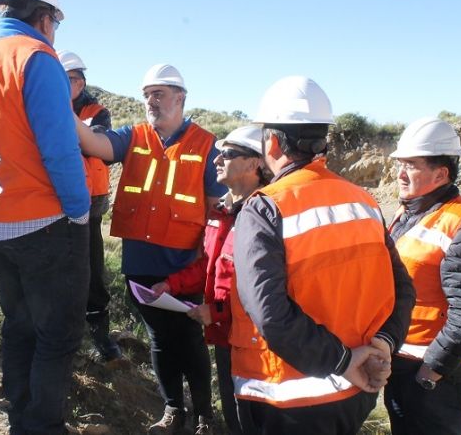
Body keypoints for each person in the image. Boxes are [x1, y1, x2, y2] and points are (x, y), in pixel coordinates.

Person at [230, 76, 416, 435]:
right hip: (355, 392)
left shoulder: (265, 207)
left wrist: (343, 360)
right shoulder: (363, 201)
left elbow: (270, 314)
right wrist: (382, 345)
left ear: (271, 140)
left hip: (284, 398)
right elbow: (403, 289)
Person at [0, 0, 90, 434]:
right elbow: (60, 150)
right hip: (43, 224)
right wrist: (80, 211)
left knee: (20, 323)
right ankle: (41, 426)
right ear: (45, 17)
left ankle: (20, 415)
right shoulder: (36, 58)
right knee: (58, 334)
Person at [76, 64, 225, 435]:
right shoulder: (134, 136)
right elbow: (94, 144)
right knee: (160, 339)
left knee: (190, 340)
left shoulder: (207, 144)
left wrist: (204, 264)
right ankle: (173, 410)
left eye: (158, 94)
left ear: (180, 98)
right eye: (146, 95)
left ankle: (204, 415)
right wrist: (61, 107)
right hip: (141, 264)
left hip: (185, 265)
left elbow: (214, 209)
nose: (150, 101)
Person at [152, 125, 267, 435]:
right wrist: (171, 285)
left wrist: (215, 311)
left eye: (227, 154)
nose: (217, 159)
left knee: (254, 417)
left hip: (258, 343)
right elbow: (207, 265)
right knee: (234, 411)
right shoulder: (220, 213)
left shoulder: (266, 216)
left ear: (255, 164)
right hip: (226, 336)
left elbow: (261, 287)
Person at [383, 117, 461, 435]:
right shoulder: (407, 214)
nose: (400, 174)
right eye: (400, 164)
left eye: (411, 166)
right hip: (401, 362)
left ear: (441, 173)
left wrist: (430, 372)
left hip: (434, 374)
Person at [57, 50, 124, 363]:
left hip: (90, 205)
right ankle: (66, 333)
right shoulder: (45, 103)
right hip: (55, 204)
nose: (71, 82)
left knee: (93, 271)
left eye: (74, 77)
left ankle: (99, 334)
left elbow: (95, 141)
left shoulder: (97, 110)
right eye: (66, 76)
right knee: (60, 269)